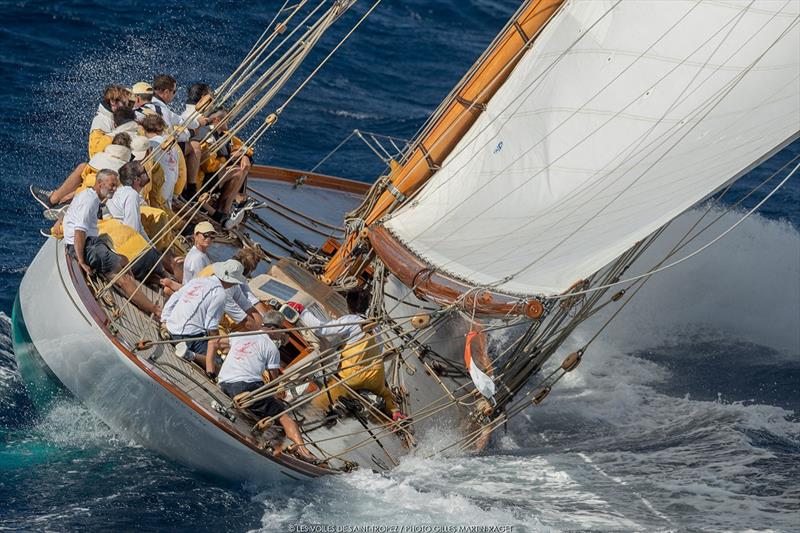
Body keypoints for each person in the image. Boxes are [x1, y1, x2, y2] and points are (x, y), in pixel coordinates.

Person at [217, 310, 318, 463]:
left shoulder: (241, 334)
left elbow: (217, 342)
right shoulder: (271, 348)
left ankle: (254, 438)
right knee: (284, 416)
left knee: (263, 406)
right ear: (275, 329)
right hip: (245, 388)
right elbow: (274, 383)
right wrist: (280, 394)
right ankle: (303, 451)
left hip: (224, 383)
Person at [62, 169, 160, 317]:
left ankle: (135, 294)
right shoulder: (89, 201)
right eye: (112, 185)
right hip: (87, 247)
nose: (114, 189)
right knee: (123, 278)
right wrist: (81, 261)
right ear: (100, 183)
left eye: (116, 185)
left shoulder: (90, 196)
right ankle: (155, 309)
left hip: (92, 243)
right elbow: (79, 231)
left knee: (124, 260)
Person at [295, 289, 406, 421]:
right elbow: (379, 348)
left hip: (351, 377)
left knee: (321, 401)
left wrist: (302, 312)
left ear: (348, 304)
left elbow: (321, 330)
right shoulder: (375, 325)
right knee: (386, 394)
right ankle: (394, 413)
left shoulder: (350, 321)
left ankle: (314, 419)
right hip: (376, 377)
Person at [161, 259, 246, 376]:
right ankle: (190, 354)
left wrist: (164, 319)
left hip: (171, 326)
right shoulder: (220, 294)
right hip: (188, 337)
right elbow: (211, 327)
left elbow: (176, 296)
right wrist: (217, 346)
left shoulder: (198, 280)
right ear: (233, 282)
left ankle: (169, 334)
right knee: (219, 364)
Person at [32, 133, 132, 209]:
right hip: (98, 198)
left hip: (87, 193)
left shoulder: (99, 158)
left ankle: (53, 199)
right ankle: (66, 205)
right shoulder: (126, 169)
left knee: (83, 167)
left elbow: (85, 178)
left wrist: (71, 193)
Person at [146, 74, 200, 193]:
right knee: (195, 146)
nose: (174, 95)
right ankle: (188, 190)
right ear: (166, 92)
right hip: (159, 152)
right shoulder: (162, 111)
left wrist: (197, 123)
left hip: (151, 147)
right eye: (174, 92)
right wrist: (190, 134)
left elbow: (179, 120)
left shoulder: (151, 104)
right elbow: (169, 135)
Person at [107, 160, 148, 239]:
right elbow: (133, 231)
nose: (147, 174)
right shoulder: (131, 195)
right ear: (137, 179)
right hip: (125, 245)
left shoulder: (120, 192)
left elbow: (140, 229)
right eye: (144, 172)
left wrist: (153, 249)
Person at [88, 85, 131, 157]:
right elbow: (94, 151)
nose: (127, 106)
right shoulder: (100, 120)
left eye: (128, 103)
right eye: (124, 103)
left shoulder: (115, 118)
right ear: (112, 102)